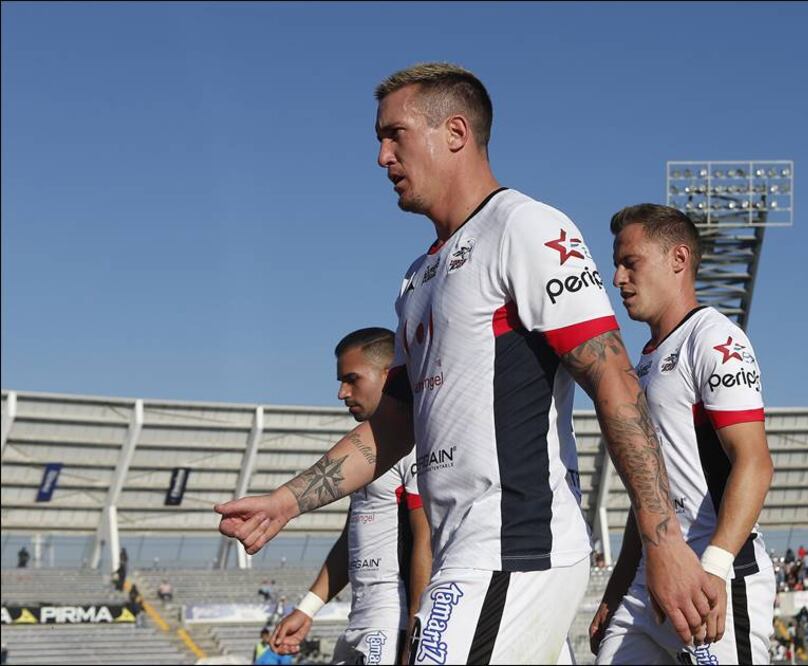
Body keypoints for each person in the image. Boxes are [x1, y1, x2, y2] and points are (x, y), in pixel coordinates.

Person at [217, 62, 716, 663]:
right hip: (468, 555)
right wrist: (287, 501)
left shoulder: (525, 227)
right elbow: (392, 427)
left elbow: (613, 379)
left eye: (394, 133)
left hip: (515, 545)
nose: (381, 156)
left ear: (455, 133)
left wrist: (663, 542)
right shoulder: (416, 279)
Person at [590, 204, 776, 664]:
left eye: (630, 262)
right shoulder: (646, 360)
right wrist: (617, 585)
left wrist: (714, 568)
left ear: (677, 259)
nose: (617, 279)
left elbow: (755, 462)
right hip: (648, 580)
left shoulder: (712, 339)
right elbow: (649, 492)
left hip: (710, 578)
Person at [270, 328, 431, 665]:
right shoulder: (366, 453)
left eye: (352, 379)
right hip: (362, 621)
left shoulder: (415, 444)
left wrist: (414, 646)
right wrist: (308, 608)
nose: (342, 392)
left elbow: (425, 542)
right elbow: (352, 538)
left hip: (395, 626)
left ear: (389, 375)